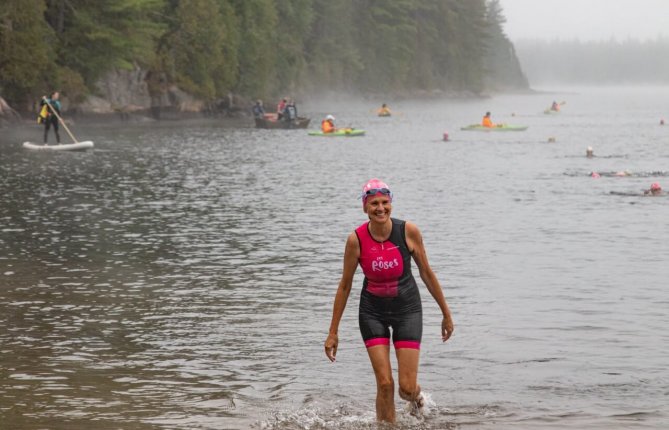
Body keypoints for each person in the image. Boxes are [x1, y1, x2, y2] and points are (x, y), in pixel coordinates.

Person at [324, 179, 454, 424]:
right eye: (374, 203)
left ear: (391, 204)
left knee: (405, 388)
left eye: (385, 202)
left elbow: (427, 272)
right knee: (384, 384)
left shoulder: (408, 231)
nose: (380, 208)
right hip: (372, 312)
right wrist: (333, 332)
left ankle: (417, 398)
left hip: (408, 310)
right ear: (365, 207)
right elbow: (344, 285)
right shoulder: (356, 240)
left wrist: (446, 313)